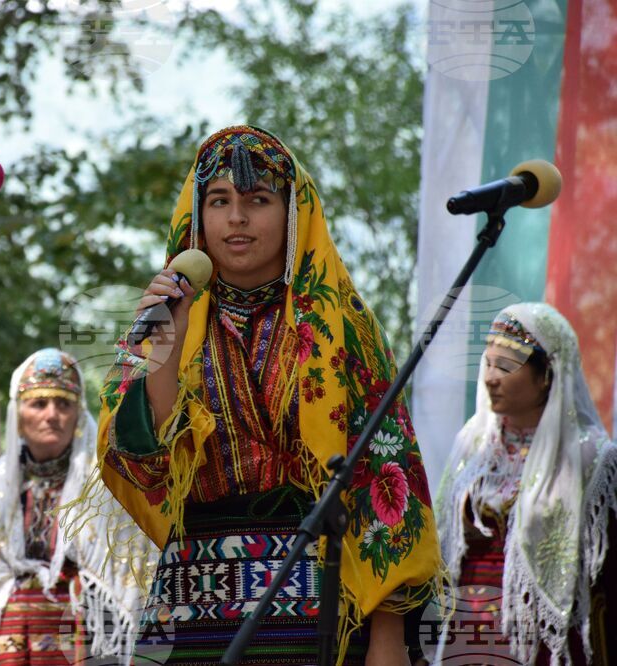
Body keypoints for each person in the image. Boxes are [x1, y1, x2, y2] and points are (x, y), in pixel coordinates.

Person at [95, 125, 442, 665]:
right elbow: (138, 460)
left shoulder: (342, 322)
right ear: (196, 216)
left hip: (324, 611)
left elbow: (386, 480)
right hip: (196, 610)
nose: (236, 217)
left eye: (258, 200)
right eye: (219, 201)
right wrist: (164, 349)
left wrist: (388, 640)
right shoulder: (162, 315)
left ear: (294, 215)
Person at [0, 348, 157, 665]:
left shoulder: (107, 487)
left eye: (64, 404)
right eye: (39, 403)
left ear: (79, 416)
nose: (51, 415)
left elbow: (131, 587)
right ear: (18, 413)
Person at [437, 303, 617, 665]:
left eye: (505, 366)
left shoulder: (590, 459)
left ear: (547, 374)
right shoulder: (472, 448)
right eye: (487, 363)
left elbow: (607, 580)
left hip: (545, 647)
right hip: (468, 639)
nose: (490, 377)